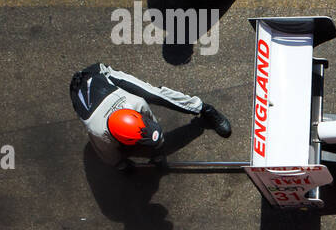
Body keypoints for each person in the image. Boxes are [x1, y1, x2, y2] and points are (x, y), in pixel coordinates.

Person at [70, 62, 231, 169]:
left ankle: (205, 109)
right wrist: (121, 164)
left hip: (101, 76)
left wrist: (158, 153)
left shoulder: (136, 103)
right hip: (83, 98)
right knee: (112, 152)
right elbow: (108, 154)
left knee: (155, 94)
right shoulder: (98, 131)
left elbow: (153, 131)